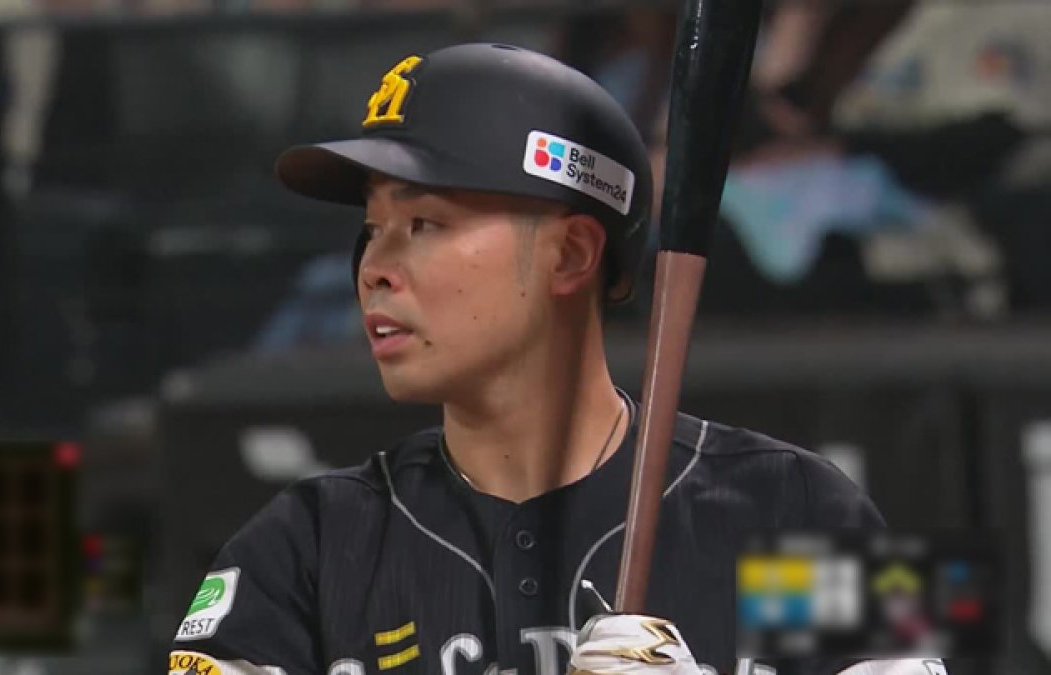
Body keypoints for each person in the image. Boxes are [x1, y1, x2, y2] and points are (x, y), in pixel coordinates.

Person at [169, 44, 947, 675]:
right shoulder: (309, 546)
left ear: (572, 253)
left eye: (425, 223)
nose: (374, 267)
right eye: (372, 229)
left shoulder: (790, 510)